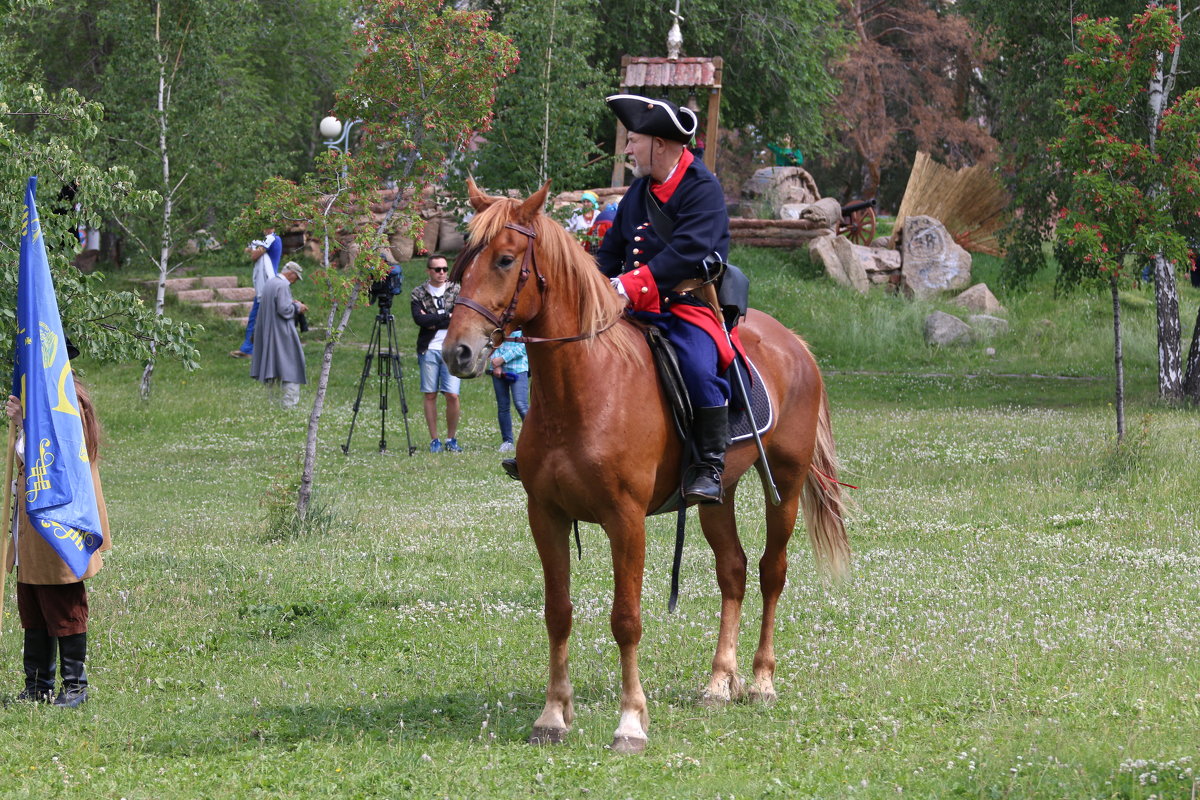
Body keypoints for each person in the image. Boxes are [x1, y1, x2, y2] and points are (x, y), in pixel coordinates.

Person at [596, 93, 737, 504]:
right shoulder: (639, 192)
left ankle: (709, 464)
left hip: (685, 307)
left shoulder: (702, 188)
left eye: (632, 140)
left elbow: (688, 252)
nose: (626, 149)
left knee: (696, 366)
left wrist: (627, 285)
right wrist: (590, 286)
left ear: (659, 143)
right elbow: (610, 252)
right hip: (633, 310)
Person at [5, 376, 110, 707]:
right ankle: (38, 685)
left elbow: (63, 456)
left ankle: (75, 686)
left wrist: (26, 422)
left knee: (62, 600)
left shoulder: (69, 401)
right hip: (30, 523)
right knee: (33, 603)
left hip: (60, 518)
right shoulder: (34, 397)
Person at [411, 254, 462, 453]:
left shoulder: (457, 290)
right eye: (437, 269)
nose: (442, 273)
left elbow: (459, 317)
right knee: (430, 394)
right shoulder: (418, 293)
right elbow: (419, 320)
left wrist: (433, 318)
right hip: (429, 348)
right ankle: (435, 440)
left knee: (452, 394)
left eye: (444, 269)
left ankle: (451, 438)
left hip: (452, 348)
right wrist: (445, 316)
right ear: (428, 271)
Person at [249, 261, 308, 408]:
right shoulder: (282, 285)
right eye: (296, 277)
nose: (294, 281)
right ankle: (289, 403)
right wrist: (297, 306)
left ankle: (273, 402)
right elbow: (284, 309)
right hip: (281, 332)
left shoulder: (271, 283)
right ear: (291, 273)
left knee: (273, 367)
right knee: (291, 364)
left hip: (269, 331)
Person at [230, 225, 282, 359]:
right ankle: (249, 349)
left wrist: (253, 247)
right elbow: (250, 250)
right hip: (262, 287)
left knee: (261, 319)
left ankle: (255, 349)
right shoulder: (264, 240)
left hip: (268, 286)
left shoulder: (272, 238)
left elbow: (253, 255)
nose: (265, 228)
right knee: (255, 318)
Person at [489, 331, 529, 453]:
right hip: (498, 370)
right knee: (503, 407)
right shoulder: (498, 327)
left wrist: (502, 359)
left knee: (521, 404)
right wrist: (496, 365)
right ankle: (507, 442)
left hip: (518, 369)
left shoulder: (523, 327)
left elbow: (523, 347)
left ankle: (535, 436)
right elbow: (492, 343)